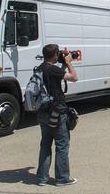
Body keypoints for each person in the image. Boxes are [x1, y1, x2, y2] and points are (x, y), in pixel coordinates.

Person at [36, 44, 79, 186]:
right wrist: (68, 62)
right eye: (58, 53)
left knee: (45, 144)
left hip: (43, 112)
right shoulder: (53, 69)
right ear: (55, 55)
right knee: (62, 145)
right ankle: (62, 178)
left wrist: (63, 65)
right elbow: (74, 78)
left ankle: (42, 178)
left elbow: (57, 75)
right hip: (57, 112)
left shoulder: (40, 68)